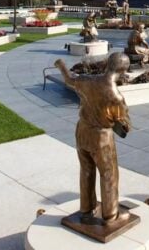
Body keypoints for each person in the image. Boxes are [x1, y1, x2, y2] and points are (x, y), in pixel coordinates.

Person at [53, 53, 132, 226]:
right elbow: (125, 126)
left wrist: (61, 66)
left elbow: (69, 80)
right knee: (109, 174)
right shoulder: (116, 96)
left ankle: (86, 210)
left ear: (108, 65)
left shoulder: (87, 80)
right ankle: (111, 216)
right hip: (101, 137)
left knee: (86, 171)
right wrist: (123, 121)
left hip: (82, 131)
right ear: (123, 70)